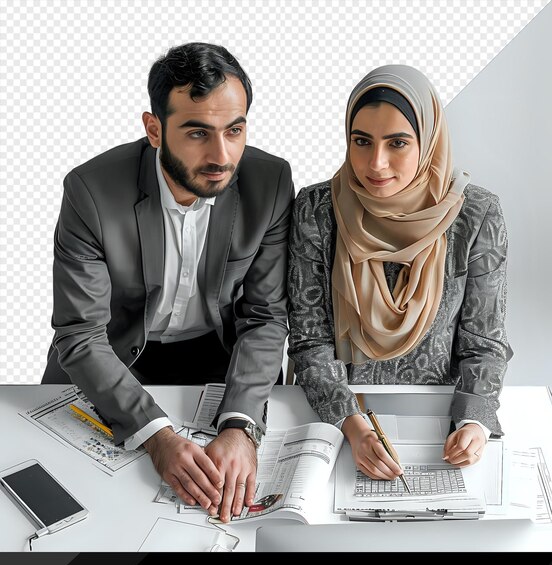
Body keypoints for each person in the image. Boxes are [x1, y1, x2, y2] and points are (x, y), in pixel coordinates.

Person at [42, 43, 294, 522]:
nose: (222, 155)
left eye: (234, 130)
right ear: (154, 129)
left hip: (220, 355)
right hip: (115, 355)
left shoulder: (271, 182)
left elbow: (265, 317)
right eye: (198, 132)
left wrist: (240, 426)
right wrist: (154, 434)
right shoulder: (90, 191)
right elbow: (79, 333)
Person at [288, 65, 511, 483]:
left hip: (435, 421)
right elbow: (309, 340)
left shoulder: (476, 216)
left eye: (398, 143)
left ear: (428, 142)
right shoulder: (317, 210)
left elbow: (484, 343)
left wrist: (474, 423)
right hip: (336, 417)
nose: (376, 163)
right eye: (362, 141)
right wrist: (353, 426)